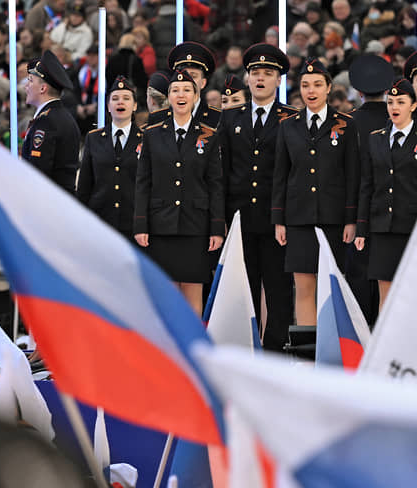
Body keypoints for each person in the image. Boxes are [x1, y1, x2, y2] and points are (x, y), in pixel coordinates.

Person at [218, 43, 297, 352]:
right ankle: (246, 348)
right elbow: (223, 171)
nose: (261, 79)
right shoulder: (230, 118)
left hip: (276, 218)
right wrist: (221, 219)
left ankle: (276, 351)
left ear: (279, 80)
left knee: (278, 289)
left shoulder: (291, 118)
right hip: (239, 217)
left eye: (268, 73)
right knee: (244, 289)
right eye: (255, 73)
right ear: (247, 79)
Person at [272, 57, 359, 326]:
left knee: (332, 285)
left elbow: (352, 174)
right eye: (306, 85)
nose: (311, 91)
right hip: (298, 217)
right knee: (304, 284)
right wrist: (279, 219)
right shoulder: (288, 125)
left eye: (317, 85)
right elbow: (281, 174)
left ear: (328, 88)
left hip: (333, 218)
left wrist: (351, 219)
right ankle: (307, 349)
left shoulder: (345, 124)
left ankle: (331, 348)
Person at [134, 69, 225, 315]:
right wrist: (141, 225)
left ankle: (193, 351)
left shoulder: (209, 135)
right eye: (175, 90)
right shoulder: (152, 134)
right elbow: (144, 181)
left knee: (193, 293)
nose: (181, 95)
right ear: (169, 97)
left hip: (196, 225)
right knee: (168, 295)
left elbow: (215, 183)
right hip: (161, 225)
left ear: (196, 96)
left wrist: (217, 227)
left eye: (187, 90)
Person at [354, 78, 417, 311]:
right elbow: (367, 185)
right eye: (390, 102)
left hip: (413, 227)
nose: (394, 107)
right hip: (383, 225)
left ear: (413, 106)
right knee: (386, 291)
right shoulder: (376, 138)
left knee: (414, 291)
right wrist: (362, 228)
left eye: (400, 102)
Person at [346, 53, 394, 328]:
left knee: (359, 279)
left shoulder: (348, 123)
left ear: (357, 90)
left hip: (357, 214)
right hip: (391, 211)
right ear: (387, 89)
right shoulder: (399, 119)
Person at [77, 76, 142, 241]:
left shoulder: (146, 139)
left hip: (134, 224)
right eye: (115, 99)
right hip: (100, 222)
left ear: (134, 106)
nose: (120, 102)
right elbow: (85, 185)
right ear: (108, 106)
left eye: (126, 98)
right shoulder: (94, 138)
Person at [22, 50, 81, 193]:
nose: (26, 86)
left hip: (48, 204)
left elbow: (38, 172)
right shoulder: (62, 116)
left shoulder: (47, 121)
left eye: (30, 81)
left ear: (43, 88)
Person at [147, 42, 221, 129]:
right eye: (184, 75)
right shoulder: (158, 118)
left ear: (203, 83)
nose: (188, 81)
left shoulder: (218, 119)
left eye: (193, 76)